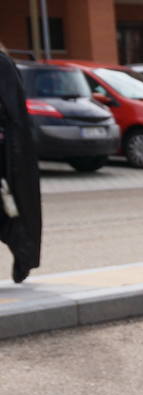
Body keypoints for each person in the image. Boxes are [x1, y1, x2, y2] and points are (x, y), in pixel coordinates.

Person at [0, 48, 41, 284]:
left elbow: (14, 113)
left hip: (5, 154)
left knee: (10, 213)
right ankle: (23, 249)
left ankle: (23, 250)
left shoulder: (2, 63)